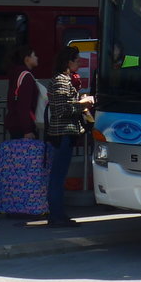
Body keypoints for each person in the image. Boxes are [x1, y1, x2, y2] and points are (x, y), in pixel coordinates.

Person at [45, 46, 95, 228]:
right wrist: (83, 104)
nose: (79, 63)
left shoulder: (63, 80)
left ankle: (58, 214)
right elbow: (62, 109)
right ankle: (57, 216)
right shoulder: (60, 81)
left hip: (63, 134)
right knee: (58, 177)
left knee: (58, 176)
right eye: (76, 60)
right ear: (68, 62)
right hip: (62, 133)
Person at [4, 44, 41, 139]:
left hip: (16, 124)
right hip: (23, 127)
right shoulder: (26, 77)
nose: (37, 58)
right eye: (34, 55)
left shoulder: (17, 73)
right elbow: (23, 105)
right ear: (27, 59)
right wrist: (27, 130)